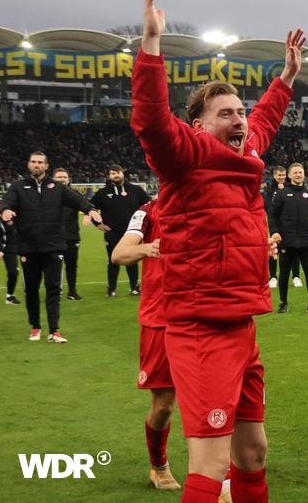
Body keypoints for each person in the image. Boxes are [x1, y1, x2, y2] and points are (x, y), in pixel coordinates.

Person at [129, 0, 304, 503]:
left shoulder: (246, 157)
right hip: (200, 327)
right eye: (226, 113)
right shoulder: (183, 156)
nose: (239, 120)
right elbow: (150, 120)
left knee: (252, 454)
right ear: (198, 126)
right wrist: (152, 46)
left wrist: (288, 78)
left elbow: (266, 119)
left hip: (242, 323)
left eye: (240, 112)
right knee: (210, 464)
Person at [109, 197, 182, 492]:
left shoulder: (209, 201)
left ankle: (226, 471)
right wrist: (148, 248)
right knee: (164, 406)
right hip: (161, 319)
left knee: (217, 398)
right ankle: (158, 466)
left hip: (204, 314)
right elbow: (119, 253)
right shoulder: (149, 210)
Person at [1, 151, 105, 343]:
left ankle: (54, 331)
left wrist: (90, 209)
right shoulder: (18, 187)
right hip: (28, 248)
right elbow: (7, 202)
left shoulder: (57, 187)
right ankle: (35, 327)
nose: (36, 165)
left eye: (40, 162)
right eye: (33, 162)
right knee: (31, 290)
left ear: (46, 166)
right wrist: (6, 209)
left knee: (54, 289)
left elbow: (77, 199)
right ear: (28, 164)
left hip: (53, 247)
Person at [267, 163, 308, 313]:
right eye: (295, 172)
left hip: (306, 241)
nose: (298, 174)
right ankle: (283, 303)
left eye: (300, 172)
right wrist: (274, 232)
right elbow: (272, 214)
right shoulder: (281, 194)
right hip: (286, 241)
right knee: (284, 273)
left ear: (304, 174)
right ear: (289, 175)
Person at [91, 164, 152, 296]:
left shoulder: (136, 190)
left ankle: (134, 288)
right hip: (112, 232)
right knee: (113, 260)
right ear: (109, 175)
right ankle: (112, 289)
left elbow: (149, 206)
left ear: (122, 173)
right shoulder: (102, 193)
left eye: (117, 172)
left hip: (132, 233)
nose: (116, 175)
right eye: (113, 173)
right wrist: (97, 224)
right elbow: (90, 207)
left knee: (132, 259)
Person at [52, 168, 84, 301]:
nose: (62, 179)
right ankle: (55, 292)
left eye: (64, 177)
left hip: (71, 237)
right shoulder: (47, 195)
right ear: (53, 179)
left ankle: (72, 291)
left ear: (69, 179)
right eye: (59, 177)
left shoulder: (75, 194)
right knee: (54, 268)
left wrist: (89, 213)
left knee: (71, 266)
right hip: (53, 238)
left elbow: (86, 206)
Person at [263, 165, 287, 288]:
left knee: (288, 250)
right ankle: (273, 277)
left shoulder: (289, 186)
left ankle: (294, 276)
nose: (282, 177)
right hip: (275, 223)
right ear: (274, 176)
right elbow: (267, 205)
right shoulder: (270, 188)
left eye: (283, 175)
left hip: (288, 223)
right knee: (273, 249)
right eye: (279, 175)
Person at [0, 219, 18, 304]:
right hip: (0, 248)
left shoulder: (10, 218)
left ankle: (9, 296)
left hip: (10, 249)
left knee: (13, 273)